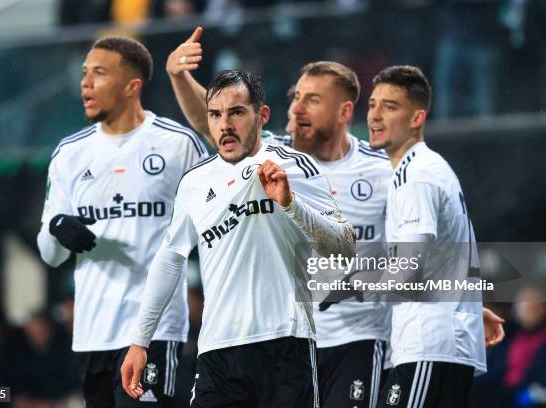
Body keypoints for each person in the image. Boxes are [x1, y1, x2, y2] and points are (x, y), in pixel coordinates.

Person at [166, 28, 393, 408]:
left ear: (344, 112)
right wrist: (178, 75)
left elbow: (423, 249)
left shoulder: (382, 170)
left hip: (355, 336)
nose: (297, 109)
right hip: (286, 338)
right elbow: (212, 124)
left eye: (312, 100)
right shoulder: (274, 156)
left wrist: (463, 304)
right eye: (295, 98)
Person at [120, 70, 357, 407]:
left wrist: (291, 205)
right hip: (218, 353)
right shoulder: (195, 182)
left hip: (285, 346)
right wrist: (140, 341)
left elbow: (344, 249)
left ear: (261, 116)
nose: (224, 125)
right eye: (215, 115)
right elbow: (171, 257)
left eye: (236, 112)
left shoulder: (295, 166)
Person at [37, 36, 208, 407]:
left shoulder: (178, 145)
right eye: (84, 73)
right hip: (91, 335)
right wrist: (56, 228)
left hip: (155, 334)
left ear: (132, 87)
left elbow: (212, 230)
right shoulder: (69, 154)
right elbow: (50, 255)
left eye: (99, 73)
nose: (85, 82)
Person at [367, 65, 486, 408]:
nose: (375, 115)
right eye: (373, 104)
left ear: (417, 118)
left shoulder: (416, 175)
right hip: (434, 343)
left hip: (430, 343)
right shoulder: (420, 167)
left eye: (389, 107)